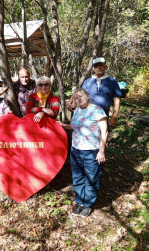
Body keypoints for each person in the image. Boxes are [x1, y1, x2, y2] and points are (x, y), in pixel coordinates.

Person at [58, 88, 108, 217]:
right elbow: (75, 127)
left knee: (91, 178)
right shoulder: (77, 111)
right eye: (76, 98)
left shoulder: (97, 110)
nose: (79, 99)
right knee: (78, 177)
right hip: (76, 150)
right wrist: (64, 125)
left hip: (92, 151)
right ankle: (79, 202)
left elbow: (104, 132)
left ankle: (88, 204)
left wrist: (101, 151)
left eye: (81, 96)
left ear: (87, 96)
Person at [68, 57, 122, 127]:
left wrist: (114, 117)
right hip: (87, 116)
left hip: (102, 117)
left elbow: (117, 100)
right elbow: (79, 93)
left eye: (101, 65)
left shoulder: (112, 82)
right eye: (96, 65)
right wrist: (70, 102)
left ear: (105, 67)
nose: (99, 67)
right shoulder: (88, 81)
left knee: (102, 135)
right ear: (93, 68)